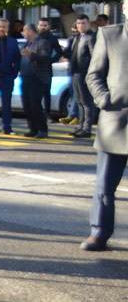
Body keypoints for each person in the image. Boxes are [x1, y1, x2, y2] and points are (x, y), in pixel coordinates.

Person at [82, 19, 128, 252]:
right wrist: (104, 100)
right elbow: (94, 75)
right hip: (115, 120)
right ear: (124, 8)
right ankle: (99, 232)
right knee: (105, 184)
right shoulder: (110, 35)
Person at [65, 14, 97, 139]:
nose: (80, 26)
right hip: (75, 72)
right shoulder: (77, 37)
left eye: (83, 23)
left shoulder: (90, 37)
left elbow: (95, 57)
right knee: (79, 101)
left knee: (87, 102)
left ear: (88, 24)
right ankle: (80, 126)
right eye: (78, 23)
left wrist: (91, 74)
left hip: (85, 74)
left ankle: (87, 128)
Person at [20, 24, 51, 138]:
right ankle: (33, 128)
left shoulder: (42, 42)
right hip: (26, 78)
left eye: (24, 31)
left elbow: (45, 58)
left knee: (35, 105)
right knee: (27, 105)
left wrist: (31, 54)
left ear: (30, 31)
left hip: (37, 79)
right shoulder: (27, 43)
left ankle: (42, 129)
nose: (23, 33)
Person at [36, 18, 62, 117]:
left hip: (46, 70)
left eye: (45, 25)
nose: (43, 27)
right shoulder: (34, 36)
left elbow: (59, 52)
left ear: (49, 26)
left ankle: (47, 114)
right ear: (38, 26)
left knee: (46, 93)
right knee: (35, 94)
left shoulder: (52, 38)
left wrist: (50, 60)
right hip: (34, 70)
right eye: (41, 25)